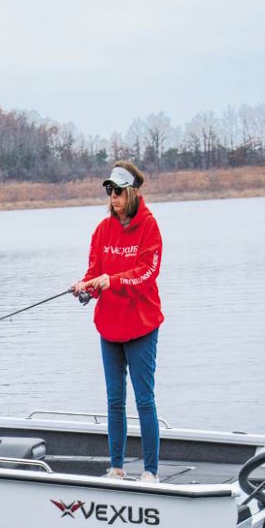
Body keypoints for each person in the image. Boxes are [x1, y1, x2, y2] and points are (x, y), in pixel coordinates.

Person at [71, 160, 164, 483]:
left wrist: (114, 280)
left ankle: (150, 472)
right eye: (110, 190)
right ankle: (117, 468)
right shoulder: (102, 230)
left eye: (119, 191)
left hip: (141, 327)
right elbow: (94, 273)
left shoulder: (149, 226)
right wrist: (85, 288)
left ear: (132, 193)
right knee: (114, 401)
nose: (113, 196)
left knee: (144, 401)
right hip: (110, 329)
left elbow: (147, 273)